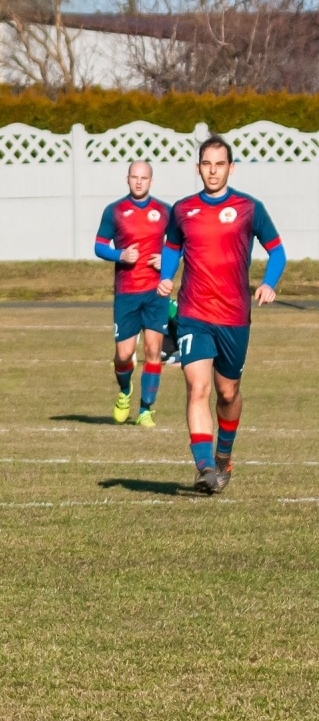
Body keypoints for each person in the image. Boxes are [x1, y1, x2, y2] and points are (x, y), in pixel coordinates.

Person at [156, 134, 286, 494]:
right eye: (207, 164)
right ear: (198, 168)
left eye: (219, 164)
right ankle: (204, 467)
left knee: (227, 393)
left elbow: (277, 252)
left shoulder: (249, 208)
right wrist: (167, 276)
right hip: (194, 313)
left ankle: (224, 458)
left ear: (231, 167)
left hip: (234, 316)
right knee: (196, 387)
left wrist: (269, 283)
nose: (213, 171)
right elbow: (171, 247)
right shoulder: (182, 210)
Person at [95, 161, 171, 426]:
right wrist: (120, 254)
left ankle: (145, 410)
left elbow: (179, 245)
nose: (139, 182)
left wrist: (167, 261)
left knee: (153, 349)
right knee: (125, 354)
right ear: (127, 179)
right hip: (127, 292)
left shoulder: (164, 211)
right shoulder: (114, 211)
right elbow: (99, 245)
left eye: (144, 178)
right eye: (135, 177)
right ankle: (125, 391)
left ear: (151, 180)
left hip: (155, 292)